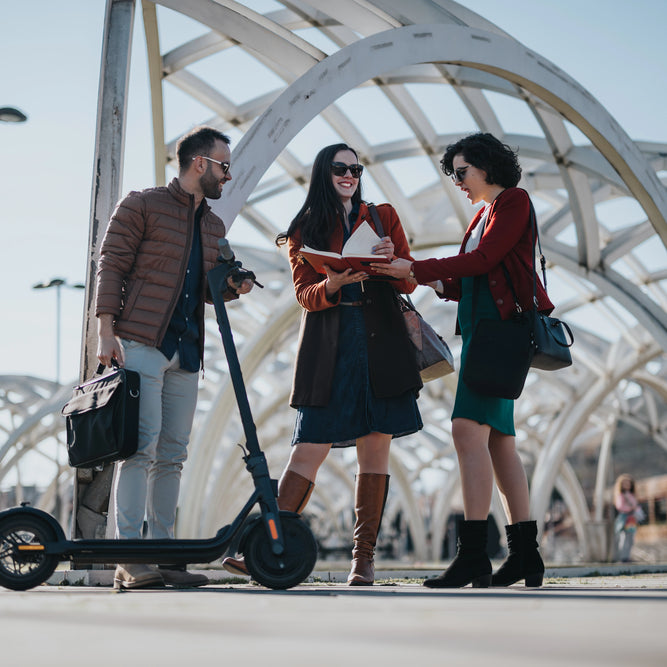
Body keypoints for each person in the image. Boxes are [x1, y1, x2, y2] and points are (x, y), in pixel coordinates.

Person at [222, 143, 423, 585]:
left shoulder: (383, 216)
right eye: (339, 168)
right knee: (307, 448)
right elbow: (305, 297)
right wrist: (332, 283)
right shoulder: (305, 226)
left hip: (381, 342)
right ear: (323, 173)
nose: (349, 174)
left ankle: (363, 558)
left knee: (375, 447)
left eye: (355, 168)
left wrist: (389, 260)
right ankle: (264, 546)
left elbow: (409, 276)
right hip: (331, 346)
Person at [373, 132, 553, 588]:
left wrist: (417, 268)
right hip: (483, 333)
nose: (457, 181)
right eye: (452, 174)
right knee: (500, 443)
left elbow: (487, 260)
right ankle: (525, 557)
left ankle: (474, 555)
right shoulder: (480, 217)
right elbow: (467, 281)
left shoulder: (514, 202)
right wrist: (421, 275)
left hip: (497, 336)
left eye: (461, 171)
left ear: (487, 166)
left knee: (465, 429)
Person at [96, 126, 254, 590]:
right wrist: (105, 331)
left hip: (185, 352)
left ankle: (163, 555)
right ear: (199, 163)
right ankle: (131, 557)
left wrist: (232, 287)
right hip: (141, 341)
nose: (229, 175)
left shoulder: (213, 225)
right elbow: (112, 265)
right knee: (138, 450)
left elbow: (207, 291)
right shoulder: (142, 205)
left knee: (173, 456)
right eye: (224, 165)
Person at [614, 474, 641, 562]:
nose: (627, 485)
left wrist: (636, 509)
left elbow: (636, 505)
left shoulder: (632, 495)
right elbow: (620, 506)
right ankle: (623, 557)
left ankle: (627, 556)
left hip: (632, 518)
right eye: (625, 484)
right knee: (624, 538)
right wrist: (630, 508)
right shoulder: (621, 496)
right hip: (625, 518)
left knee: (631, 539)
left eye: (628, 483)